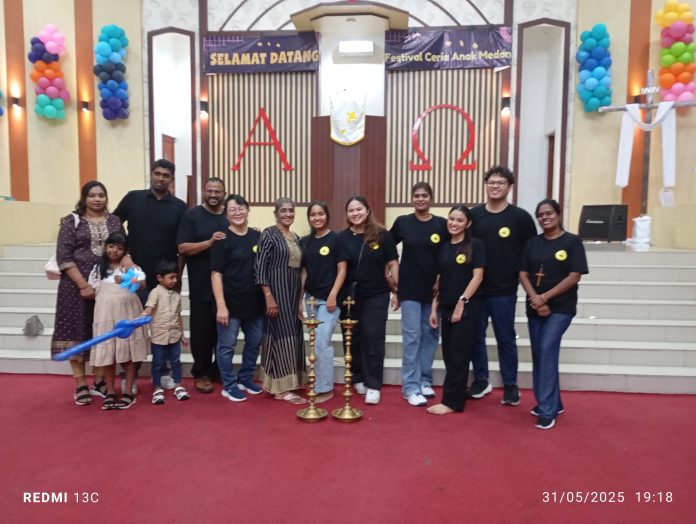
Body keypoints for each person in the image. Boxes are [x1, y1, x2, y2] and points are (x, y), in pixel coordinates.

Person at [113, 159, 187, 391]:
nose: (161, 178)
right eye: (157, 173)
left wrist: (177, 278)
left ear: (171, 179)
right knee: (132, 329)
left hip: (163, 282)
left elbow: (182, 246)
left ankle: (163, 372)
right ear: (151, 174)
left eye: (166, 175)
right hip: (133, 278)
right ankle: (128, 376)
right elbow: (113, 224)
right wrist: (124, 253)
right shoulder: (133, 198)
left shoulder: (180, 207)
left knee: (162, 328)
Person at [469, 165, 536, 406]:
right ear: (485, 185)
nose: (495, 186)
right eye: (491, 182)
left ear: (509, 187)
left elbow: (532, 250)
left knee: (505, 337)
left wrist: (522, 277)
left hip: (504, 290)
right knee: (475, 336)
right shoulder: (474, 216)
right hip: (476, 289)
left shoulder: (520, 218)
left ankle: (510, 385)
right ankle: (481, 380)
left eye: (500, 183)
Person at [51, 181, 123, 406]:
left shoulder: (114, 221)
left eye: (101, 195)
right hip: (75, 288)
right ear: (84, 198)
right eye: (92, 195)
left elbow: (122, 247)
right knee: (76, 331)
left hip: (106, 287)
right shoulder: (72, 222)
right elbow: (64, 257)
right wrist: (83, 285)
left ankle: (100, 380)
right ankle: (81, 383)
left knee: (101, 331)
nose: (97, 199)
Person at [519, 199, 588, 429]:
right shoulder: (532, 243)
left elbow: (575, 275)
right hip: (534, 307)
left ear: (558, 214)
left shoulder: (572, 242)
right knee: (540, 354)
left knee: (547, 350)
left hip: (561, 308)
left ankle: (547, 410)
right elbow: (523, 273)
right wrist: (536, 299)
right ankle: (552, 402)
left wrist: (545, 297)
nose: (544, 218)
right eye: (540, 215)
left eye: (548, 213)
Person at [390, 182, 448, 407]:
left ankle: (424, 379)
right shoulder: (403, 222)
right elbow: (387, 248)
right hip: (409, 289)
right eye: (417, 195)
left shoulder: (441, 224)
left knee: (430, 335)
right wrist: (391, 278)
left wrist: (441, 279)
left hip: (433, 291)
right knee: (412, 337)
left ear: (431, 198)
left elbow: (448, 253)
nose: (421, 199)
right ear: (412, 198)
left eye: (424, 195)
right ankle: (410, 386)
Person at [336, 196, 399, 405]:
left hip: (377, 294)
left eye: (359, 209)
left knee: (373, 337)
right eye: (351, 210)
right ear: (347, 214)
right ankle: (358, 377)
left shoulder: (382, 235)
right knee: (353, 337)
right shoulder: (341, 238)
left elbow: (392, 263)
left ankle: (373, 384)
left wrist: (397, 289)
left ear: (368, 210)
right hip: (350, 296)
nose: (356, 213)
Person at [427, 206, 485, 415]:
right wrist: (434, 309)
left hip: (467, 307)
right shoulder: (444, 247)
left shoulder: (475, 245)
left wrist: (462, 302)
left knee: (459, 353)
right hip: (446, 305)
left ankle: (452, 402)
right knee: (449, 354)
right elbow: (440, 280)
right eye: (451, 219)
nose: (454, 223)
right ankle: (457, 394)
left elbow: (478, 276)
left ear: (468, 224)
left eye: (460, 220)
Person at [176, 178, 228, 394]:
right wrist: (209, 242)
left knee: (224, 332)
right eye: (210, 191)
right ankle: (202, 373)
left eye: (218, 191)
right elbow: (182, 247)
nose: (213, 195)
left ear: (224, 194)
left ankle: (219, 370)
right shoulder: (192, 215)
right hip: (201, 284)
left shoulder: (229, 215)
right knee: (202, 332)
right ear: (204, 192)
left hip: (226, 286)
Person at [211, 195, 264, 403]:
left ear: (248, 210)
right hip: (230, 303)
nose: (237, 213)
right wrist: (221, 306)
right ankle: (229, 385)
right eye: (232, 210)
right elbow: (216, 274)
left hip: (255, 303)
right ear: (226, 215)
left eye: (241, 208)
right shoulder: (222, 239)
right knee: (227, 347)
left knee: (254, 342)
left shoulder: (257, 236)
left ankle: (246, 378)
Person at [89, 232, 149, 410]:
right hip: (105, 316)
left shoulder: (130, 266)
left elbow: (142, 284)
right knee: (108, 355)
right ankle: (110, 391)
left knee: (129, 354)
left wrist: (127, 279)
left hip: (128, 314)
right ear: (105, 247)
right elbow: (92, 290)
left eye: (120, 248)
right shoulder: (98, 269)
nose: (114, 250)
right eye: (111, 246)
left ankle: (128, 392)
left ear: (125, 250)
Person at [255, 197, 306, 404]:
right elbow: (260, 267)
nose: (288, 214)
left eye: (291, 210)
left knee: (292, 336)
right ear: (276, 213)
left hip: (293, 295)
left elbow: (301, 270)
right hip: (277, 294)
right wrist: (269, 297)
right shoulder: (269, 234)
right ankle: (280, 389)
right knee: (280, 337)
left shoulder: (296, 237)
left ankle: (290, 383)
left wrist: (300, 300)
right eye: (283, 210)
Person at [300, 200, 347, 403]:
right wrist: (299, 299)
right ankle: (316, 382)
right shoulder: (305, 242)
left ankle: (325, 388)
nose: (317, 218)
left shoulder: (336, 239)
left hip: (329, 300)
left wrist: (333, 295)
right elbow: (304, 272)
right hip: (310, 299)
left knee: (321, 341)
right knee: (314, 342)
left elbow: (342, 269)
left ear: (327, 215)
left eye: (320, 213)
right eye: (313, 214)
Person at [143, 260, 190, 405]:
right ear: (160, 278)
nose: (174, 280)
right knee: (157, 363)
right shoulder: (155, 293)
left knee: (176, 362)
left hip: (174, 336)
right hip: (159, 337)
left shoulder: (176, 296)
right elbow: (149, 308)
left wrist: (182, 334)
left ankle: (178, 385)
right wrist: (142, 317)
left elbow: (178, 316)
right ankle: (157, 388)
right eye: (171, 277)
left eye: (176, 277)